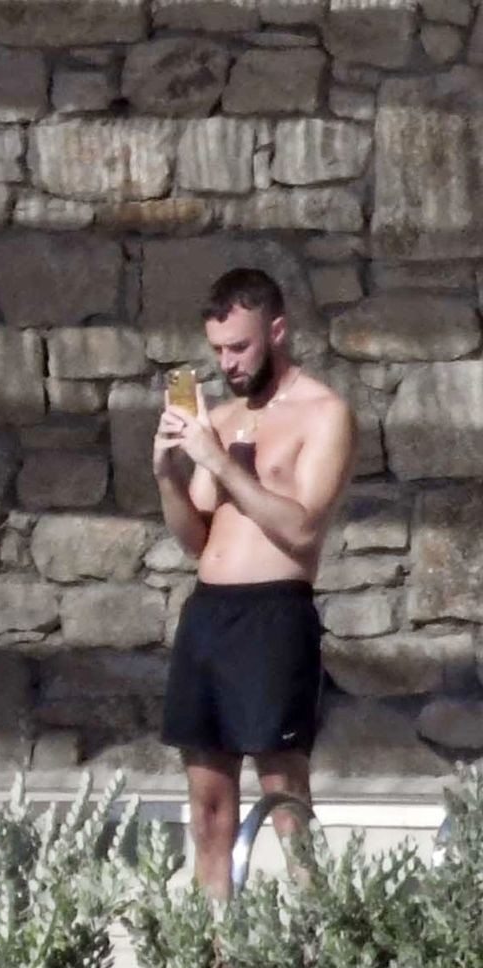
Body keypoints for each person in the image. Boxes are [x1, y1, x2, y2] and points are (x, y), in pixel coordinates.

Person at [152, 268, 355, 899]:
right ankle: (215, 951)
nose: (228, 364)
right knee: (208, 806)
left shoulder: (323, 414)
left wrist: (220, 463)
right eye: (218, 350)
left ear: (277, 331)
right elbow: (197, 540)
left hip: (273, 615)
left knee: (284, 796)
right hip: (208, 616)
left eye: (239, 347)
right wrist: (166, 472)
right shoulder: (219, 417)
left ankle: (323, 941)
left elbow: (302, 527)